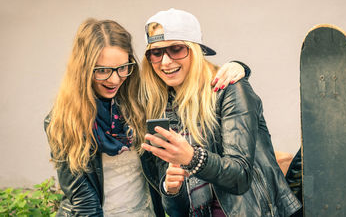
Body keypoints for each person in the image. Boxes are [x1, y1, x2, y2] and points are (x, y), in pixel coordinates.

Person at [45, 18, 246, 216]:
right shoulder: (63, 120)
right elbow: (84, 204)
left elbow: (188, 77)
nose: (115, 79)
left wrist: (239, 66)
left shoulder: (141, 103)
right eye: (103, 71)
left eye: (122, 68)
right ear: (83, 69)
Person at [140, 8, 302, 216]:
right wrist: (171, 190)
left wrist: (192, 157)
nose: (165, 61)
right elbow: (177, 211)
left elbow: (240, 176)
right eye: (156, 52)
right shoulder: (160, 108)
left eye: (176, 49)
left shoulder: (229, 89)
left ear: (195, 50)